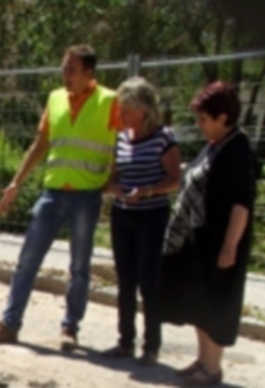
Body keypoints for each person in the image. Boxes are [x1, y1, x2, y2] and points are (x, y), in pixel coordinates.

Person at [0, 44, 124, 349]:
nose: (65, 75)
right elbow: (40, 144)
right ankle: (9, 323)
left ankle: (69, 329)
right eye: (64, 68)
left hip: (87, 195)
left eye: (72, 70)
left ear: (88, 73)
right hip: (53, 191)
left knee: (80, 267)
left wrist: (113, 180)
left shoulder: (109, 101)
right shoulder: (55, 98)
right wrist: (16, 182)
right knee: (27, 260)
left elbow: (123, 145)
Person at [155, 81, 255, 386]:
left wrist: (229, 245)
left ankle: (211, 369)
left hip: (221, 242)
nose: (199, 124)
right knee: (199, 301)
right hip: (200, 238)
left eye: (204, 119)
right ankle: (202, 361)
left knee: (214, 303)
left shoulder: (238, 151)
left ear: (223, 117)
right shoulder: (216, 145)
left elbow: (241, 204)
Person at [100, 77, 181, 366]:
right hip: (123, 215)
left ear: (143, 109)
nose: (121, 117)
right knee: (125, 281)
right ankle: (125, 341)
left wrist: (146, 191)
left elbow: (175, 180)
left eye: (126, 110)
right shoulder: (121, 138)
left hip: (151, 214)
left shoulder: (163, 137)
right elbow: (113, 178)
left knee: (149, 281)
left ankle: (151, 346)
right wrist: (113, 189)